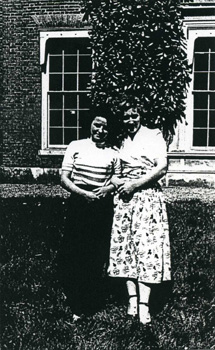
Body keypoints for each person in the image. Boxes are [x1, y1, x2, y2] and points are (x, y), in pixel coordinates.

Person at [108, 107, 171, 325]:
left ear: (141, 116)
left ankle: (145, 305)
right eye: (126, 116)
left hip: (147, 196)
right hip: (125, 200)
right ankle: (132, 301)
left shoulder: (153, 135)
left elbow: (162, 167)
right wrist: (119, 184)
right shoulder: (121, 140)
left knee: (147, 247)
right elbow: (114, 174)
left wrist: (135, 184)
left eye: (134, 115)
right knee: (126, 247)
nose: (130, 120)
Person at [58, 115, 120, 320]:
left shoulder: (114, 152)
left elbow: (116, 179)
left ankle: (90, 299)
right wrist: (83, 193)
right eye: (97, 125)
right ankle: (74, 298)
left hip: (101, 204)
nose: (100, 130)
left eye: (105, 127)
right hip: (79, 202)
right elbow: (64, 178)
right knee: (75, 250)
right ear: (90, 125)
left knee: (96, 252)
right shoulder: (76, 146)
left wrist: (107, 190)